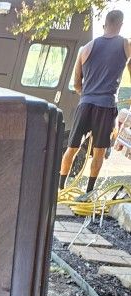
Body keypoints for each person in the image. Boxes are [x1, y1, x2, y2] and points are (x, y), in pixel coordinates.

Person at [59, 9, 131, 192]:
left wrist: (88, 94)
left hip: (85, 104)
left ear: (104, 25)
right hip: (106, 105)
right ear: (121, 25)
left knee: (72, 148)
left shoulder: (86, 48)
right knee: (99, 151)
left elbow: (77, 84)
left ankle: (61, 187)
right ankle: (89, 191)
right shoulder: (126, 44)